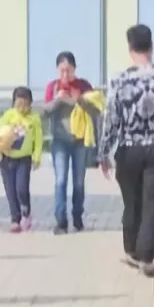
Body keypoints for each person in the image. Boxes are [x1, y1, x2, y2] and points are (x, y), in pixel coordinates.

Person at [98, 24, 154, 278]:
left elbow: (111, 119)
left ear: (130, 48)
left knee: (132, 201)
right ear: (151, 46)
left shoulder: (119, 80)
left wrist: (103, 153)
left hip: (129, 148)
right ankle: (146, 256)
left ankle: (131, 250)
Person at [43, 51, 99, 234]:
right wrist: (58, 100)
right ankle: (61, 220)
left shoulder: (84, 86)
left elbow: (95, 109)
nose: (65, 74)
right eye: (62, 70)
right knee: (60, 180)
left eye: (69, 70)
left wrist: (77, 100)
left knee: (79, 181)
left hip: (80, 141)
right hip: (60, 141)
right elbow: (45, 111)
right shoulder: (53, 86)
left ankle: (77, 217)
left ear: (75, 69)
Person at [0, 86, 43, 232]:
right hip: (6, 158)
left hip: (23, 159)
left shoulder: (34, 119)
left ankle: (26, 213)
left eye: (25, 105)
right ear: (13, 103)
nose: (22, 108)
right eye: (18, 104)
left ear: (30, 103)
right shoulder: (9, 115)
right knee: (10, 191)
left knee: (21, 188)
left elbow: (38, 140)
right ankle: (15, 219)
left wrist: (37, 157)